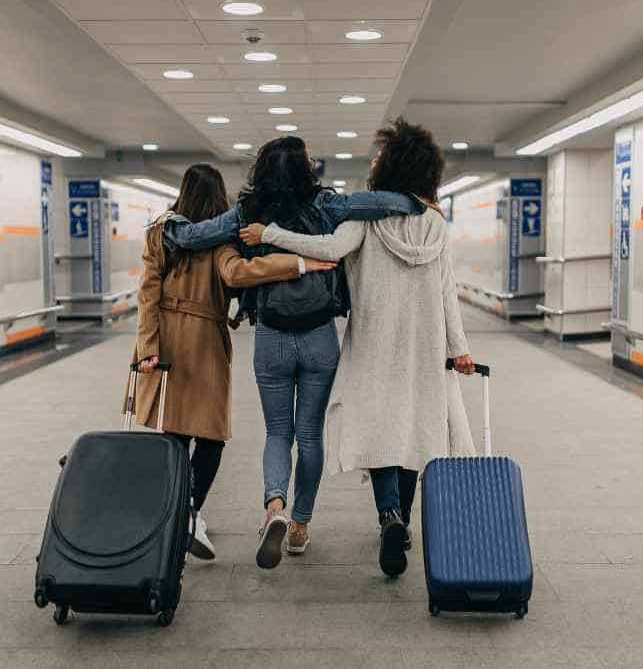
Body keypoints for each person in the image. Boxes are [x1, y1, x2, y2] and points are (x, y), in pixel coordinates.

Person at [163, 136, 426, 570]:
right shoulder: (326, 204)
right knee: (310, 436)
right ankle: (300, 524)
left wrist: (168, 224)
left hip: (271, 337)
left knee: (277, 434)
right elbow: (382, 203)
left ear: (261, 169)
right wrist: (416, 203)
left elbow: (192, 236)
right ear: (307, 169)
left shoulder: (249, 212)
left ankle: (274, 508)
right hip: (319, 336)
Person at [239, 118, 477, 577]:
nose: (373, 161)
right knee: (412, 429)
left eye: (379, 156)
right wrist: (459, 347)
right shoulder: (437, 225)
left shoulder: (364, 220)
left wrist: (270, 234)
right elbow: (447, 290)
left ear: (393, 166)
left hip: (373, 341)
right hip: (423, 346)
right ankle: (400, 520)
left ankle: (387, 513)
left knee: (380, 430)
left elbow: (326, 249)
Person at [131, 163, 336, 561]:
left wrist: (148, 347)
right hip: (205, 342)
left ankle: (174, 514)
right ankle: (189, 512)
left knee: (173, 434)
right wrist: (299, 262)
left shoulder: (159, 235)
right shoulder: (221, 242)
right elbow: (241, 273)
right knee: (210, 439)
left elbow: (146, 295)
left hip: (167, 343)